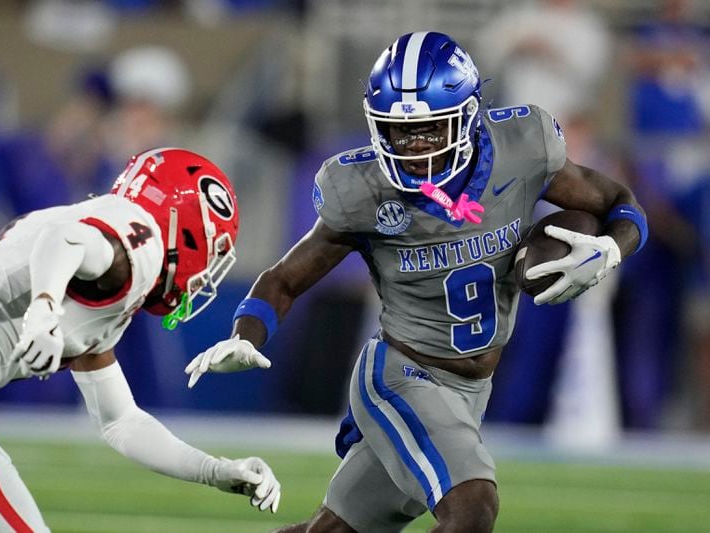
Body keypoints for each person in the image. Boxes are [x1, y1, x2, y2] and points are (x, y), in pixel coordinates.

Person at [185, 32, 647, 532]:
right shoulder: (361, 189)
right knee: (472, 507)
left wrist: (609, 249)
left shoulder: (523, 147)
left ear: (468, 116)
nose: (413, 146)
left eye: (430, 128)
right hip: (402, 374)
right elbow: (284, 279)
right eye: (399, 132)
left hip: (471, 389)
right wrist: (245, 335)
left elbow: (618, 200)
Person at [0, 147, 281, 532]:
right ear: (185, 225)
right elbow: (67, 239)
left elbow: (120, 421)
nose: (204, 276)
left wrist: (215, 471)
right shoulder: (143, 241)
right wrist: (44, 308)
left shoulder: (115, 259)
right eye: (211, 252)